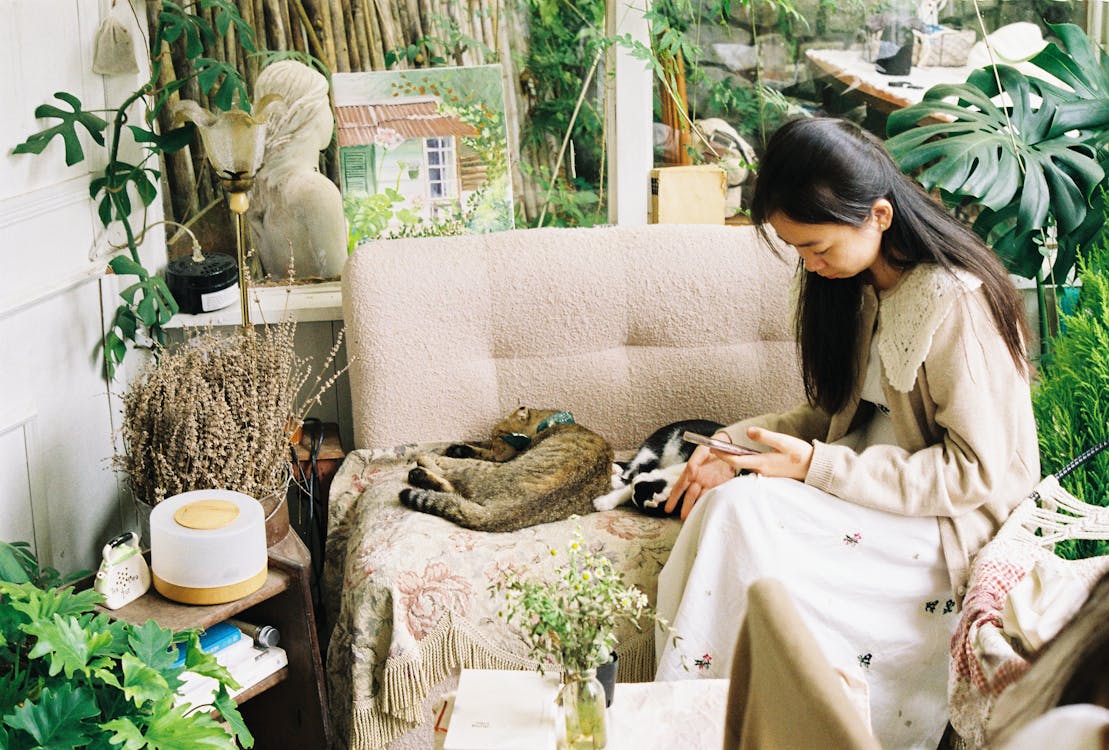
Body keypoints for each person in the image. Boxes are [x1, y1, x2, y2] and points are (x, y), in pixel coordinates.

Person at [655, 117, 1040, 750]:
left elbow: (975, 473)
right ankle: (713, 718)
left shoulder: (955, 303)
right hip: (868, 493)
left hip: (945, 526)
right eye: (799, 251)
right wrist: (736, 444)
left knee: (744, 514)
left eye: (817, 248)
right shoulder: (862, 287)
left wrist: (814, 467)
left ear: (879, 216)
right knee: (728, 501)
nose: (810, 265)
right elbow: (837, 419)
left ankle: (696, 729)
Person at [248, 60, 347, 279]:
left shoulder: (258, 187)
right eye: (325, 104)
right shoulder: (315, 191)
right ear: (305, 113)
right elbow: (338, 281)